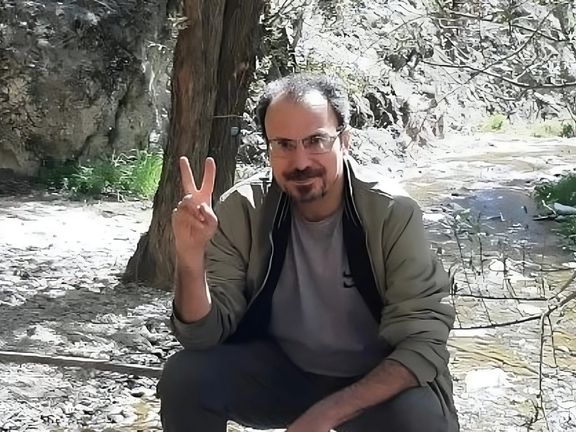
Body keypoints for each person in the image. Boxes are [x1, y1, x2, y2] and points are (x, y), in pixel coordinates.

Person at [157, 73, 459, 432]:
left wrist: (325, 415)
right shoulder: (244, 209)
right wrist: (190, 259)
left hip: (374, 381)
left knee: (420, 420)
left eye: (316, 141)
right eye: (284, 145)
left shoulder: (392, 212)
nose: (300, 162)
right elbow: (201, 337)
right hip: (283, 374)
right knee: (185, 377)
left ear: (344, 141)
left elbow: (422, 342)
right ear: (268, 149)